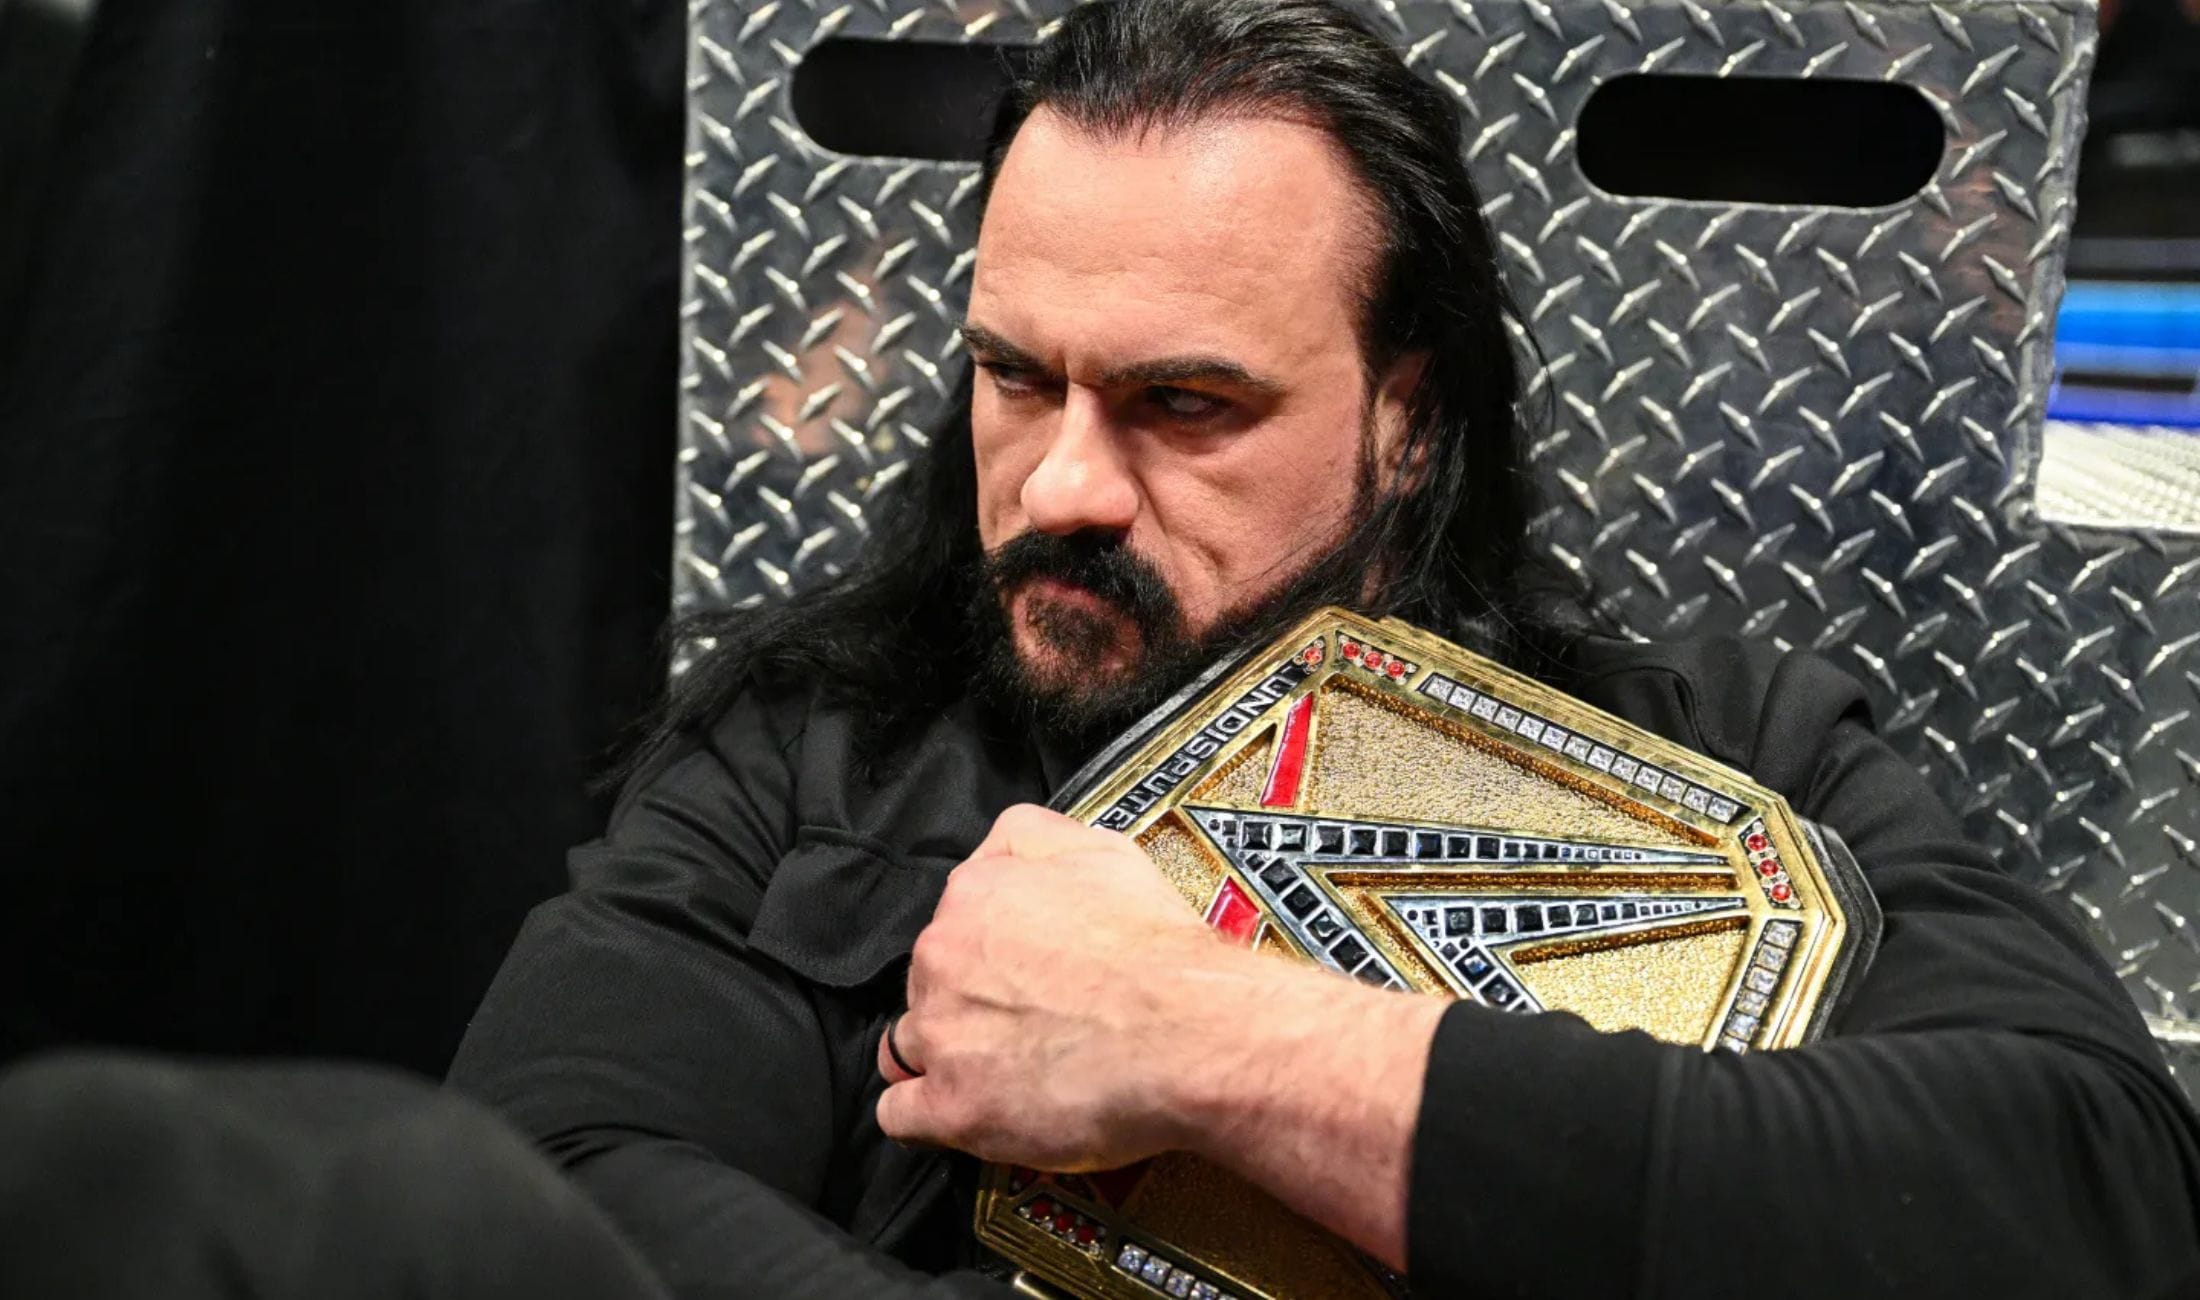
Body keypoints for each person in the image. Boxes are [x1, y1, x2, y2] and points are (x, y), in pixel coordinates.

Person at [3, 1, 2195, 1297]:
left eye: (1179, 403)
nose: (1057, 479)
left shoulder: (1723, 750)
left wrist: (1210, 1045)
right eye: (1010, 377)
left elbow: (2077, 1193)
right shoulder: (820, 746)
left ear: (1406, 415)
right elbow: (558, 1177)